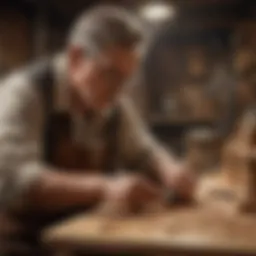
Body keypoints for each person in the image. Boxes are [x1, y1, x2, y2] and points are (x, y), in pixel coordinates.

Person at [0, 5, 194, 227]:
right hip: (22, 239)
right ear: (76, 58)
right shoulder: (24, 93)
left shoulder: (114, 104)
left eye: (125, 79)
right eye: (110, 73)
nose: (118, 90)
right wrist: (106, 187)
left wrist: (169, 169)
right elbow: (12, 179)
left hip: (78, 232)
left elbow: (143, 151)